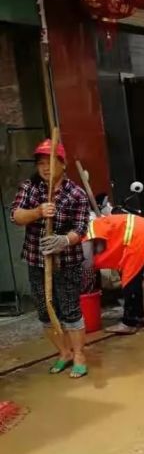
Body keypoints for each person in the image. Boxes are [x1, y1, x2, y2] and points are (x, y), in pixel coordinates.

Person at [10, 139, 89, 378]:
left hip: (67, 262)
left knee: (69, 310)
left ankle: (79, 356)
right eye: (41, 163)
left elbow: (81, 228)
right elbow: (16, 216)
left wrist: (64, 241)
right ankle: (64, 352)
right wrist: (38, 212)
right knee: (45, 311)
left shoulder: (76, 194)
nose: (45, 167)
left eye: (50, 162)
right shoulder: (30, 188)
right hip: (37, 260)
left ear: (63, 164)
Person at [83, 211, 144, 334]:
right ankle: (139, 317)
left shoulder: (86, 231)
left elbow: (88, 260)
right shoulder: (92, 226)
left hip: (136, 236)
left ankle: (130, 322)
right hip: (139, 232)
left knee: (130, 280)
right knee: (134, 279)